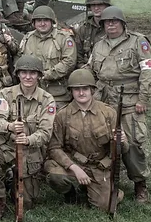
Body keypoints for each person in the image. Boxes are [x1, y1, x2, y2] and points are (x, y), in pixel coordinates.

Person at [89, 6, 151, 203]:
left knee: (133, 143)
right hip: (104, 99)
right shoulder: (98, 45)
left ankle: (140, 183)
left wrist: (143, 99)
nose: (110, 24)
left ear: (122, 23)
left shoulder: (138, 41)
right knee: (100, 140)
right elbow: (91, 69)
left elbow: (148, 71)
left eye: (114, 21)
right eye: (106, 22)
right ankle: (103, 180)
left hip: (129, 100)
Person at [45, 69, 127, 211]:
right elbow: (54, 148)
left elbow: (124, 150)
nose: (81, 93)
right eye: (77, 89)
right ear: (71, 91)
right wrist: (74, 168)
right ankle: (71, 194)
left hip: (99, 167)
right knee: (53, 174)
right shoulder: (63, 115)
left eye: (85, 89)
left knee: (104, 207)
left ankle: (109, 191)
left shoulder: (108, 113)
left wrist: (122, 141)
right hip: (75, 163)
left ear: (92, 90)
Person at [0, 55, 55, 219]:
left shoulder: (47, 100)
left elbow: (45, 132)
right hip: (6, 145)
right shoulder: (5, 94)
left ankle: (12, 180)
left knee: (27, 203)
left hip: (30, 150)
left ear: (39, 75)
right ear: (18, 74)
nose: (28, 77)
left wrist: (28, 139)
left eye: (32, 73)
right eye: (24, 73)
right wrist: (9, 126)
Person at [19, 6, 76, 109]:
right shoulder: (27, 38)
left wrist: (47, 74)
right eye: (39, 21)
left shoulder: (63, 38)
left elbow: (69, 62)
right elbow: (20, 60)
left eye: (45, 20)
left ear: (52, 22)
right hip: (31, 91)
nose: (42, 23)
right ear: (34, 23)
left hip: (57, 93)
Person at [71, 0, 111, 69]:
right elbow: (78, 56)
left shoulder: (113, 27)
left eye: (100, 5)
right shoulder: (83, 29)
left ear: (107, 6)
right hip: (88, 70)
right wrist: (83, 68)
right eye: (93, 5)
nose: (96, 8)